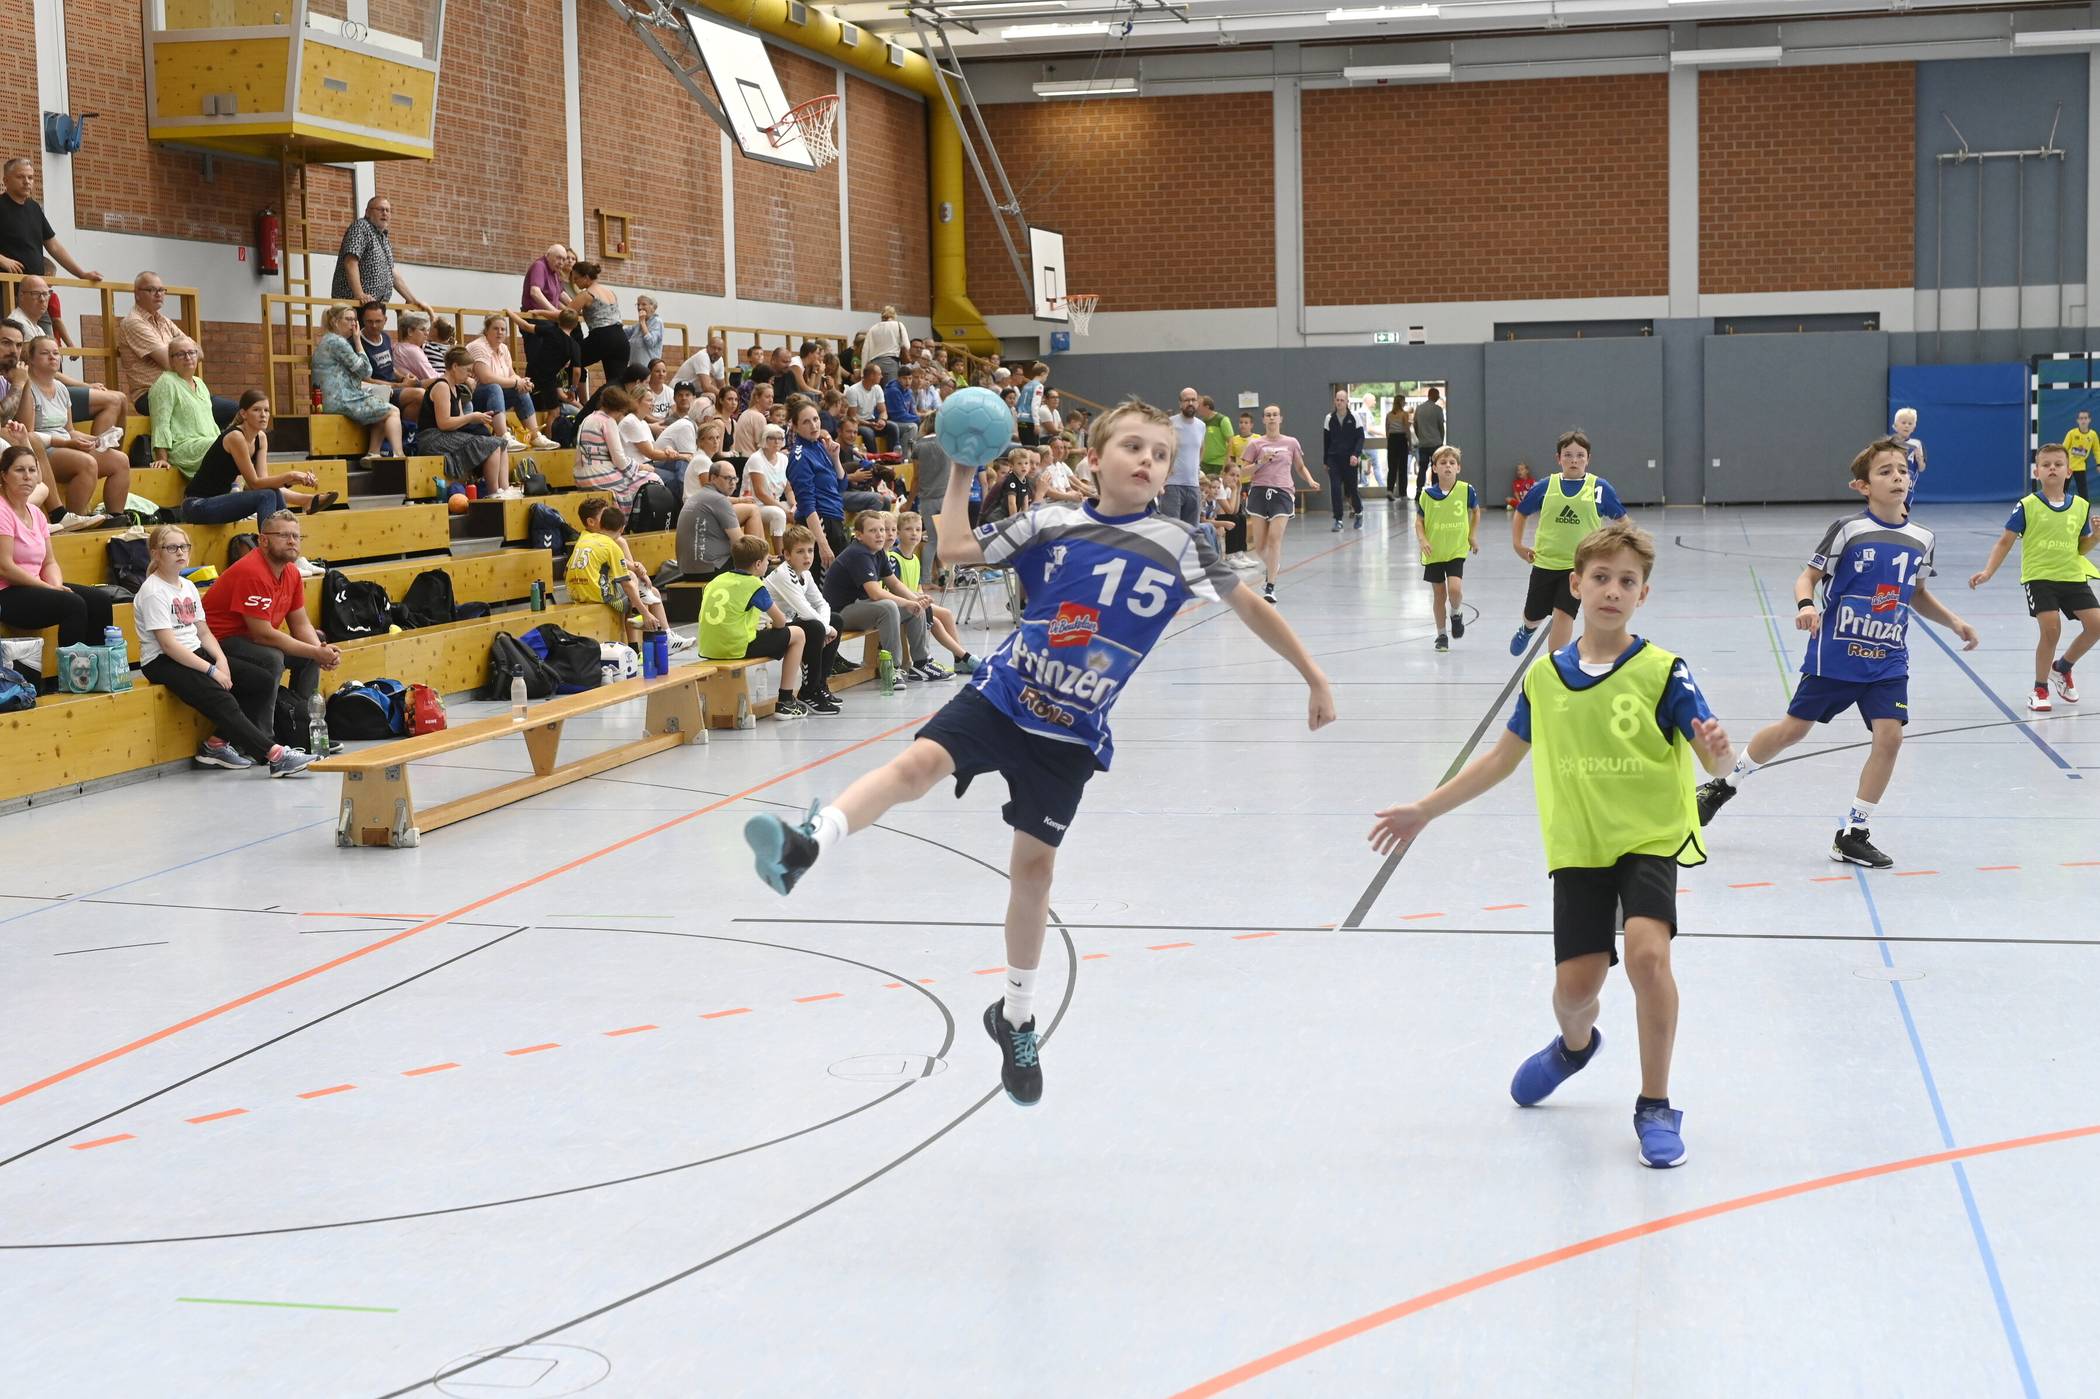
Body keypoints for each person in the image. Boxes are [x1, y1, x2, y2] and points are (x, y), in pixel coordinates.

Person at [744, 398, 1336, 1107]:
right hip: (1005, 694)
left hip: (1072, 733)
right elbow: (958, 547)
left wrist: (1314, 674)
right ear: (1094, 460)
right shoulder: (1052, 519)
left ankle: (1015, 1016)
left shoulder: (1184, 544)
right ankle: (808, 841)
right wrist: (962, 466)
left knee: (1034, 871)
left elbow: (1252, 608)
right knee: (916, 766)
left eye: (1158, 451)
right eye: (1133, 447)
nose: (1149, 459)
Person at [1369, 519, 1731, 1170]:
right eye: (1601, 577)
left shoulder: (1664, 672)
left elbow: (1712, 761)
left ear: (1643, 594)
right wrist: (1425, 808)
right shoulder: (1545, 679)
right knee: (1574, 990)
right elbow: (1500, 760)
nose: (1613, 590)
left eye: (1627, 580)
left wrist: (1719, 751)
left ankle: (1655, 1103)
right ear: (1577, 584)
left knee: (1649, 957)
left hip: (1649, 838)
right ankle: (1574, 1045)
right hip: (1580, 848)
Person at [1696, 438, 1980, 870]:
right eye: (1885, 471)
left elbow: (1917, 593)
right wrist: (1806, 606)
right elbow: (1806, 578)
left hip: (1888, 656)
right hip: (1837, 652)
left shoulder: (1923, 538)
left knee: (1891, 736)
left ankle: (1853, 832)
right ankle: (1723, 784)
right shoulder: (1849, 530)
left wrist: (1954, 621)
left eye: (1902, 470)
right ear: (1862, 485)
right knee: (1793, 729)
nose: (1897, 477)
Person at [135, 524, 314, 776]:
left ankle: (216, 745)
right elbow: (169, 645)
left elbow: (204, 632)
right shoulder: (152, 592)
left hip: (194, 652)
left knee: (260, 681)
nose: (180, 553)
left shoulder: (186, 586)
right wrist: (211, 670)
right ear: (155, 553)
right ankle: (275, 755)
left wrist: (221, 661)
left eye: (184, 547)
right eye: (171, 547)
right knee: (223, 698)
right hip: (163, 661)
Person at [1967, 441, 2099, 713]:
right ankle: (2040, 688)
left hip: (2072, 575)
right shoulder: (2028, 505)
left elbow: (2081, 546)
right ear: (2037, 472)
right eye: (2046, 464)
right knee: (2051, 629)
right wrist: (1988, 571)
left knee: (2097, 625)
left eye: (2058, 464)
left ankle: (2062, 668)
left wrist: (2095, 537)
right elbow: (2005, 541)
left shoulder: (2081, 506)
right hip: (2039, 576)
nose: (2052, 468)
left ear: (2069, 471)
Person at [203, 510, 342, 740]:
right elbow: (263, 636)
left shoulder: (292, 573)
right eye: (284, 535)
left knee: (312, 643)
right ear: (263, 540)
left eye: (296, 536)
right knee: (272, 658)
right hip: (217, 643)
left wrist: (321, 650)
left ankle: (300, 727)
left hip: (247, 641)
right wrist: (317, 651)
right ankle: (264, 740)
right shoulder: (252, 571)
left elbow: (300, 623)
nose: (292, 541)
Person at [1510, 428, 1627, 657]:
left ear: (1588, 459)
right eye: (1568, 455)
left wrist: (1625, 551)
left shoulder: (1600, 488)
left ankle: (1556, 666)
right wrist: (1518, 545)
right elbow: (1521, 512)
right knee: (1533, 614)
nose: (1574, 460)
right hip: (1545, 562)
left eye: (1580, 455)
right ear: (1558, 458)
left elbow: (1623, 522)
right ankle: (1527, 628)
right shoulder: (1545, 486)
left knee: (1564, 613)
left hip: (1579, 567)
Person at [0, 442, 116, 645]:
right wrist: (47, 588)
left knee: (100, 600)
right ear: (4, 475)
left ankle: (97, 670)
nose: (27, 476)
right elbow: (5, 568)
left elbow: (49, 562)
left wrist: (54, 585)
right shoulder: (2, 511)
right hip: (7, 593)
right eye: (19, 470)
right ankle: (72, 673)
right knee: (73, 604)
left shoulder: (35, 512)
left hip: (36, 586)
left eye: (32, 470)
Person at [700, 536, 820, 720]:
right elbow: (780, 621)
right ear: (758, 564)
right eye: (766, 560)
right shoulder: (754, 584)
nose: (768, 564)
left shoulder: (717, 580)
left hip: (709, 647)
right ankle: (786, 701)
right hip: (736, 647)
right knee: (798, 634)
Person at [16, 335, 129, 518]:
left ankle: (116, 517)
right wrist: (69, 443)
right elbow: (29, 435)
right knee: (87, 463)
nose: (53, 357)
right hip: (45, 450)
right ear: (32, 360)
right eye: (45, 353)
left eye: (56, 353)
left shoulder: (61, 388)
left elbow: (70, 430)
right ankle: (73, 519)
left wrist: (97, 440)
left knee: (120, 460)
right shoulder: (28, 388)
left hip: (67, 443)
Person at [183, 390, 335, 523]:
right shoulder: (236, 437)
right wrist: (292, 475)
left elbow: (263, 481)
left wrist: (296, 480)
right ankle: (271, 548)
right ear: (244, 414)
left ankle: (285, 544)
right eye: (256, 410)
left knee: (272, 492)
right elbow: (255, 484)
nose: (263, 415)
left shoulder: (261, 438)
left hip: (220, 501)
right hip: (197, 505)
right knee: (266, 496)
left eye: (267, 410)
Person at [820, 509, 935, 679]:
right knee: (888, 607)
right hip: (840, 612)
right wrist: (906, 602)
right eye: (873, 531)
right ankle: (891, 669)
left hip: (861, 606)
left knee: (915, 606)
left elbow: (894, 583)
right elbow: (875, 593)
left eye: (882, 529)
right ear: (859, 535)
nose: (880, 535)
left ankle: (921, 664)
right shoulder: (859, 553)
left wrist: (915, 599)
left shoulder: (878, 550)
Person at [1240, 403, 1318, 603]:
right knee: (1259, 546)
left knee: (1275, 539)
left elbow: (1300, 467)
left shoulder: (1291, 442)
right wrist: (1261, 462)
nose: (1272, 418)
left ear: (1280, 419)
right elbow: (1242, 472)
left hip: (1282, 492)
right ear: (1264, 420)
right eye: (1268, 415)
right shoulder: (1256, 444)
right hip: (1259, 492)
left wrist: (1309, 480)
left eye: (1275, 415)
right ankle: (1273, 565)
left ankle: (1270, 585)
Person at [764, 525, 843, 712]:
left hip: (788, 623)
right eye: (800, 552)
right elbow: (805, 611)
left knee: (835, 620)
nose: (807, 556)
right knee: (815, 627)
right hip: (768, 628)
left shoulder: (805, 574)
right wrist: (825, 629)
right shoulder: (784, 574)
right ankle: (808, 691)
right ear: (787, 554)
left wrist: (827, 626)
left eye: (810, 551)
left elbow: (822, 604)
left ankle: (820, 685)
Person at [886, 510, 975, 673]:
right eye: (908, 529)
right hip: (903, 604)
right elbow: (895, 588)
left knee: (945, 615)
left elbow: (917, 587)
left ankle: (959, 659)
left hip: (915, 601)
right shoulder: (893, 558)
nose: (914, 533)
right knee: (941, 618)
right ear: (898, 533)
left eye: (918, 529)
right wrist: (918, 599)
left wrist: (921, 596)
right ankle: (960, 658)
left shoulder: (915, 559)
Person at [310, 305, 404, 458]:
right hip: (341, 400)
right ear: (334, 321)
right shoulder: (337, 342)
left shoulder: (327, 340)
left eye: (354, 319)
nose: (353, 324)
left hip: (330, 399)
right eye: (348, 319)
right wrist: (358, 340)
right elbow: (366, 371)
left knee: (379, 407)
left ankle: (373, 454)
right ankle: (400, 456)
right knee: (393, 411)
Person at [419, 348, 511, 499]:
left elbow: (459, 421)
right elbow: (444, 423)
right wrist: (471, 417)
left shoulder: (456, 389)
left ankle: (505, 489)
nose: (469, 374)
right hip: (432, 438)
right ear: (454, 366)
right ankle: (494, 492)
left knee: (501, 443)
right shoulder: (442, 386)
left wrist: (478, 419)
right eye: (467, 370)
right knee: (492, 445)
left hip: (447, 435)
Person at [1416, 445, 1479, 652]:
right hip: (1434, 552)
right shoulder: (1427, 494)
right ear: (1434, 468)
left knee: (1454, 590)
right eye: (1443, 463)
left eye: (1452, 463)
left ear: (1458, 468)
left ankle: (1456, 612)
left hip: (1456, 550)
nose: (1448, 467)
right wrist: (1423, 539)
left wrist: (1472, 535)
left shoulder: (1466, 490)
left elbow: (1476, 512)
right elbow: (1419, 521)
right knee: (1439, 595)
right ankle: (1441, 635)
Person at [0, 157, 99, 283]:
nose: (26, 182)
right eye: (20, 177)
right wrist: (2, 260)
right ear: (6, 180)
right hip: (5, 287)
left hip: (34, 289)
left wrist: (82, 274)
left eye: (30, 177)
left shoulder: (34, 208)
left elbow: (54, 247)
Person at [468, 314, 554, 449]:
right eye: (495, 329)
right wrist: (515, 383)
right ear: (486, 330)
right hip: (474, 399)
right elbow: (486, 378)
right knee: (494, 387)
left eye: (503, 329)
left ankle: (535, 436)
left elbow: (512, 375)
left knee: (519, 389)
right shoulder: (478, 346)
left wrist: (523, 382)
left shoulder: (503, 348)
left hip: (496, 398)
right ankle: (503, 436)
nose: (500, 332)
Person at [332, 196, 426, 309]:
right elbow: (351, 262)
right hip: (354, 305)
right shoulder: (360, 227)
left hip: (374, 307)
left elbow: (392, 273)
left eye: (387, 210)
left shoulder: (383, 237)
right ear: (367, 212)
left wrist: (412, 300)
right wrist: (359, 295)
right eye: (380, 209)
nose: (385, 213)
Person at [786, 401, 847, 566]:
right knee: (825, 587)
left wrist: (835, 458)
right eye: (806, 422)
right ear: (795, 427)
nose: (814, 425)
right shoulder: (800, 456)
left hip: (835, 517)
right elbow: (806, 504)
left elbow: (841, 486)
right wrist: (822, 544)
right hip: (820, 523)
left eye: (815, 419)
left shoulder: (819, 446)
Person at [574, 384, 652, 510]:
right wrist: (641, 466)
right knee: (649, 478)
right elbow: (619, 459)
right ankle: (624, 525)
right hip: (599, 475)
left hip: (580, 475)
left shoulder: (588, 418)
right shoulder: (608, 421)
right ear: (619, 408)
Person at [675, 458, 748, 583]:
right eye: (727, 478)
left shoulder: (698, 496)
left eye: (735, 479)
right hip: (710, 570)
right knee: (757, 567)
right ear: (713, 478)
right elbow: (740, 542)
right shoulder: (719, 500)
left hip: (686, 571)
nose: (732, 483)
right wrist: (761, 556)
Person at [356, 300, 425, 425]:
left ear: (385, 320)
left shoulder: (386, 337)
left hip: (394, 386)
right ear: (363, 320)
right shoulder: (357, 342)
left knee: (430, 388)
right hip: (377, 391)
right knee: (419, 394)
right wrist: (399, 386)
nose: (374, 325)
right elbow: (365, 379)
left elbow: (390, 368)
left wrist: (404, 377)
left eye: (378, 321)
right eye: (369, 321)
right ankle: (407, 434)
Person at [566, 261, 627, 393]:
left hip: (603, 336)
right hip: (621, 337)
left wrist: (542, 313)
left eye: (576, 278)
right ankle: (617, 411)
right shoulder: (610, 292)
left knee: (568, 362)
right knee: (616, 383)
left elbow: (565, 314)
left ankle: (571, 397)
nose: (575, 282)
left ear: (586, 277)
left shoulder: (586, 295)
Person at [1323, 388, 1365, 532]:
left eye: (1342, 400)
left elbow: (1360, 438)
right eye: (1337, 400)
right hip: (1334, 459)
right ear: (1335, 401)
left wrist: (1356, 454)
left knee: (1352, 489)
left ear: (1347, 402)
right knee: (1335, 488)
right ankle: (1338, 519)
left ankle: (1359, 512)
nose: (1339, 402)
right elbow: (1326, 441)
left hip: (1350, 459)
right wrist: (1325, 461)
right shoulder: (1329, 418)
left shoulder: (1355, 417)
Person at [744, 424, 793, 544]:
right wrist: (785, 511)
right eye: (772, 438)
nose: (777, 442)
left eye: (780, 438)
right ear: (764, 439)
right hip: (756, 505)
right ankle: (780, 555)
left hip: (775, 502)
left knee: (803, 510)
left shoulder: (784, 459)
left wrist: (794, 506)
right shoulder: (756, 459)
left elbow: (788, 490)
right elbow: (761, 494)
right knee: (779, 514)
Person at [1164, 387, 1205, 525]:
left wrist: (1197, 467)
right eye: (1187, 400)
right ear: (1180, 403)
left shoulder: (1201, 426)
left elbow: (1200, 449)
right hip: (1172, 486)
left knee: (1191, 532)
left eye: (1193, 400)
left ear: (1198, 403)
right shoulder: (1169, 424)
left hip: (1194, 486)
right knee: (1172, 530)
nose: (1190, 403)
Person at [1412, 386, 1446, 496]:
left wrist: (1420, 437)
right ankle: (1435, 490)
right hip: (1436, 443)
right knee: (1435, 468)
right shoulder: (1438, 409)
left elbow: (1415, 425)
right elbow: (1441, 427)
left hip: (1423, 444)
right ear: (1434, 395)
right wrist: (1441, 440)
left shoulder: (1419, 408)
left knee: (1422, 468)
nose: (1438, 398)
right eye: (1437, 395)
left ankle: (1418, 491)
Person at [1890, 406, 1926, 510]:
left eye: (1910, 423)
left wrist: (1919, 457)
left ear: (1914, 427)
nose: (1906, 426)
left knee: (1903, 511)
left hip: (1908, 486)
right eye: (1903, 422)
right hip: (1892, 482)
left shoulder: (1917, 444)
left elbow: (1922, 468)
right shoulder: (1889, 443)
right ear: (1896, 425)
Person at [860, 306, 909, 381]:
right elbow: (906, 345)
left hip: (874, 364)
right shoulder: (898, 325)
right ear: (894, 315)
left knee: (876, 390)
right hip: (891, 362)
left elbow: (865, 351)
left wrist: (862, 373)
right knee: (890, 389)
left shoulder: (873, 328)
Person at [2063, 408, 2097, 503]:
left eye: (2085, 418)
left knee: (2083, 492)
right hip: (2068, 467)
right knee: (2062, 490)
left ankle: (2085, 510)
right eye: (2081, 418)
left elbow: (2097, 450)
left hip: (2080, 467)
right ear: (2078, 420)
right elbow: (2063, 449)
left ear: (2089, 420)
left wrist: (2099, 464)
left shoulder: (2093, 435)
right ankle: (2059, 507)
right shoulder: (2072, 433)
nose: (2083, 420)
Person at [733, 382, 774, 458]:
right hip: (749, 459)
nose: (771, 400)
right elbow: (761, 446)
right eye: (767, 397)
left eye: (772, 397)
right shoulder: (758, 416)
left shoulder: (746, 412)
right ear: (757, 398)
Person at [627, 295, 663, 372]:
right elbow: (624, 333)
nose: (640, 307)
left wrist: (643, 323)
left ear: (653, 307)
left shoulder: (657, 322)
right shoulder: (637, 325)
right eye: (638, 304)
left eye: (643, 304)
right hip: (635, 370)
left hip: (647, 371)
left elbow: (650, 342)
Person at [1384, 400, 1413, 499]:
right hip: (1401, 440)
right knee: (1402, 468)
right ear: (1401, 403)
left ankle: (1390, 491)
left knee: (1392, 468)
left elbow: (1387, 430)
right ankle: (1403, 493)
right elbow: (1406, 429)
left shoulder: (1389, 415)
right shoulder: (1404, 414)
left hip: (1392, 440)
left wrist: (1390, 441)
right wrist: (1410, 443)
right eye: (1404, 401)